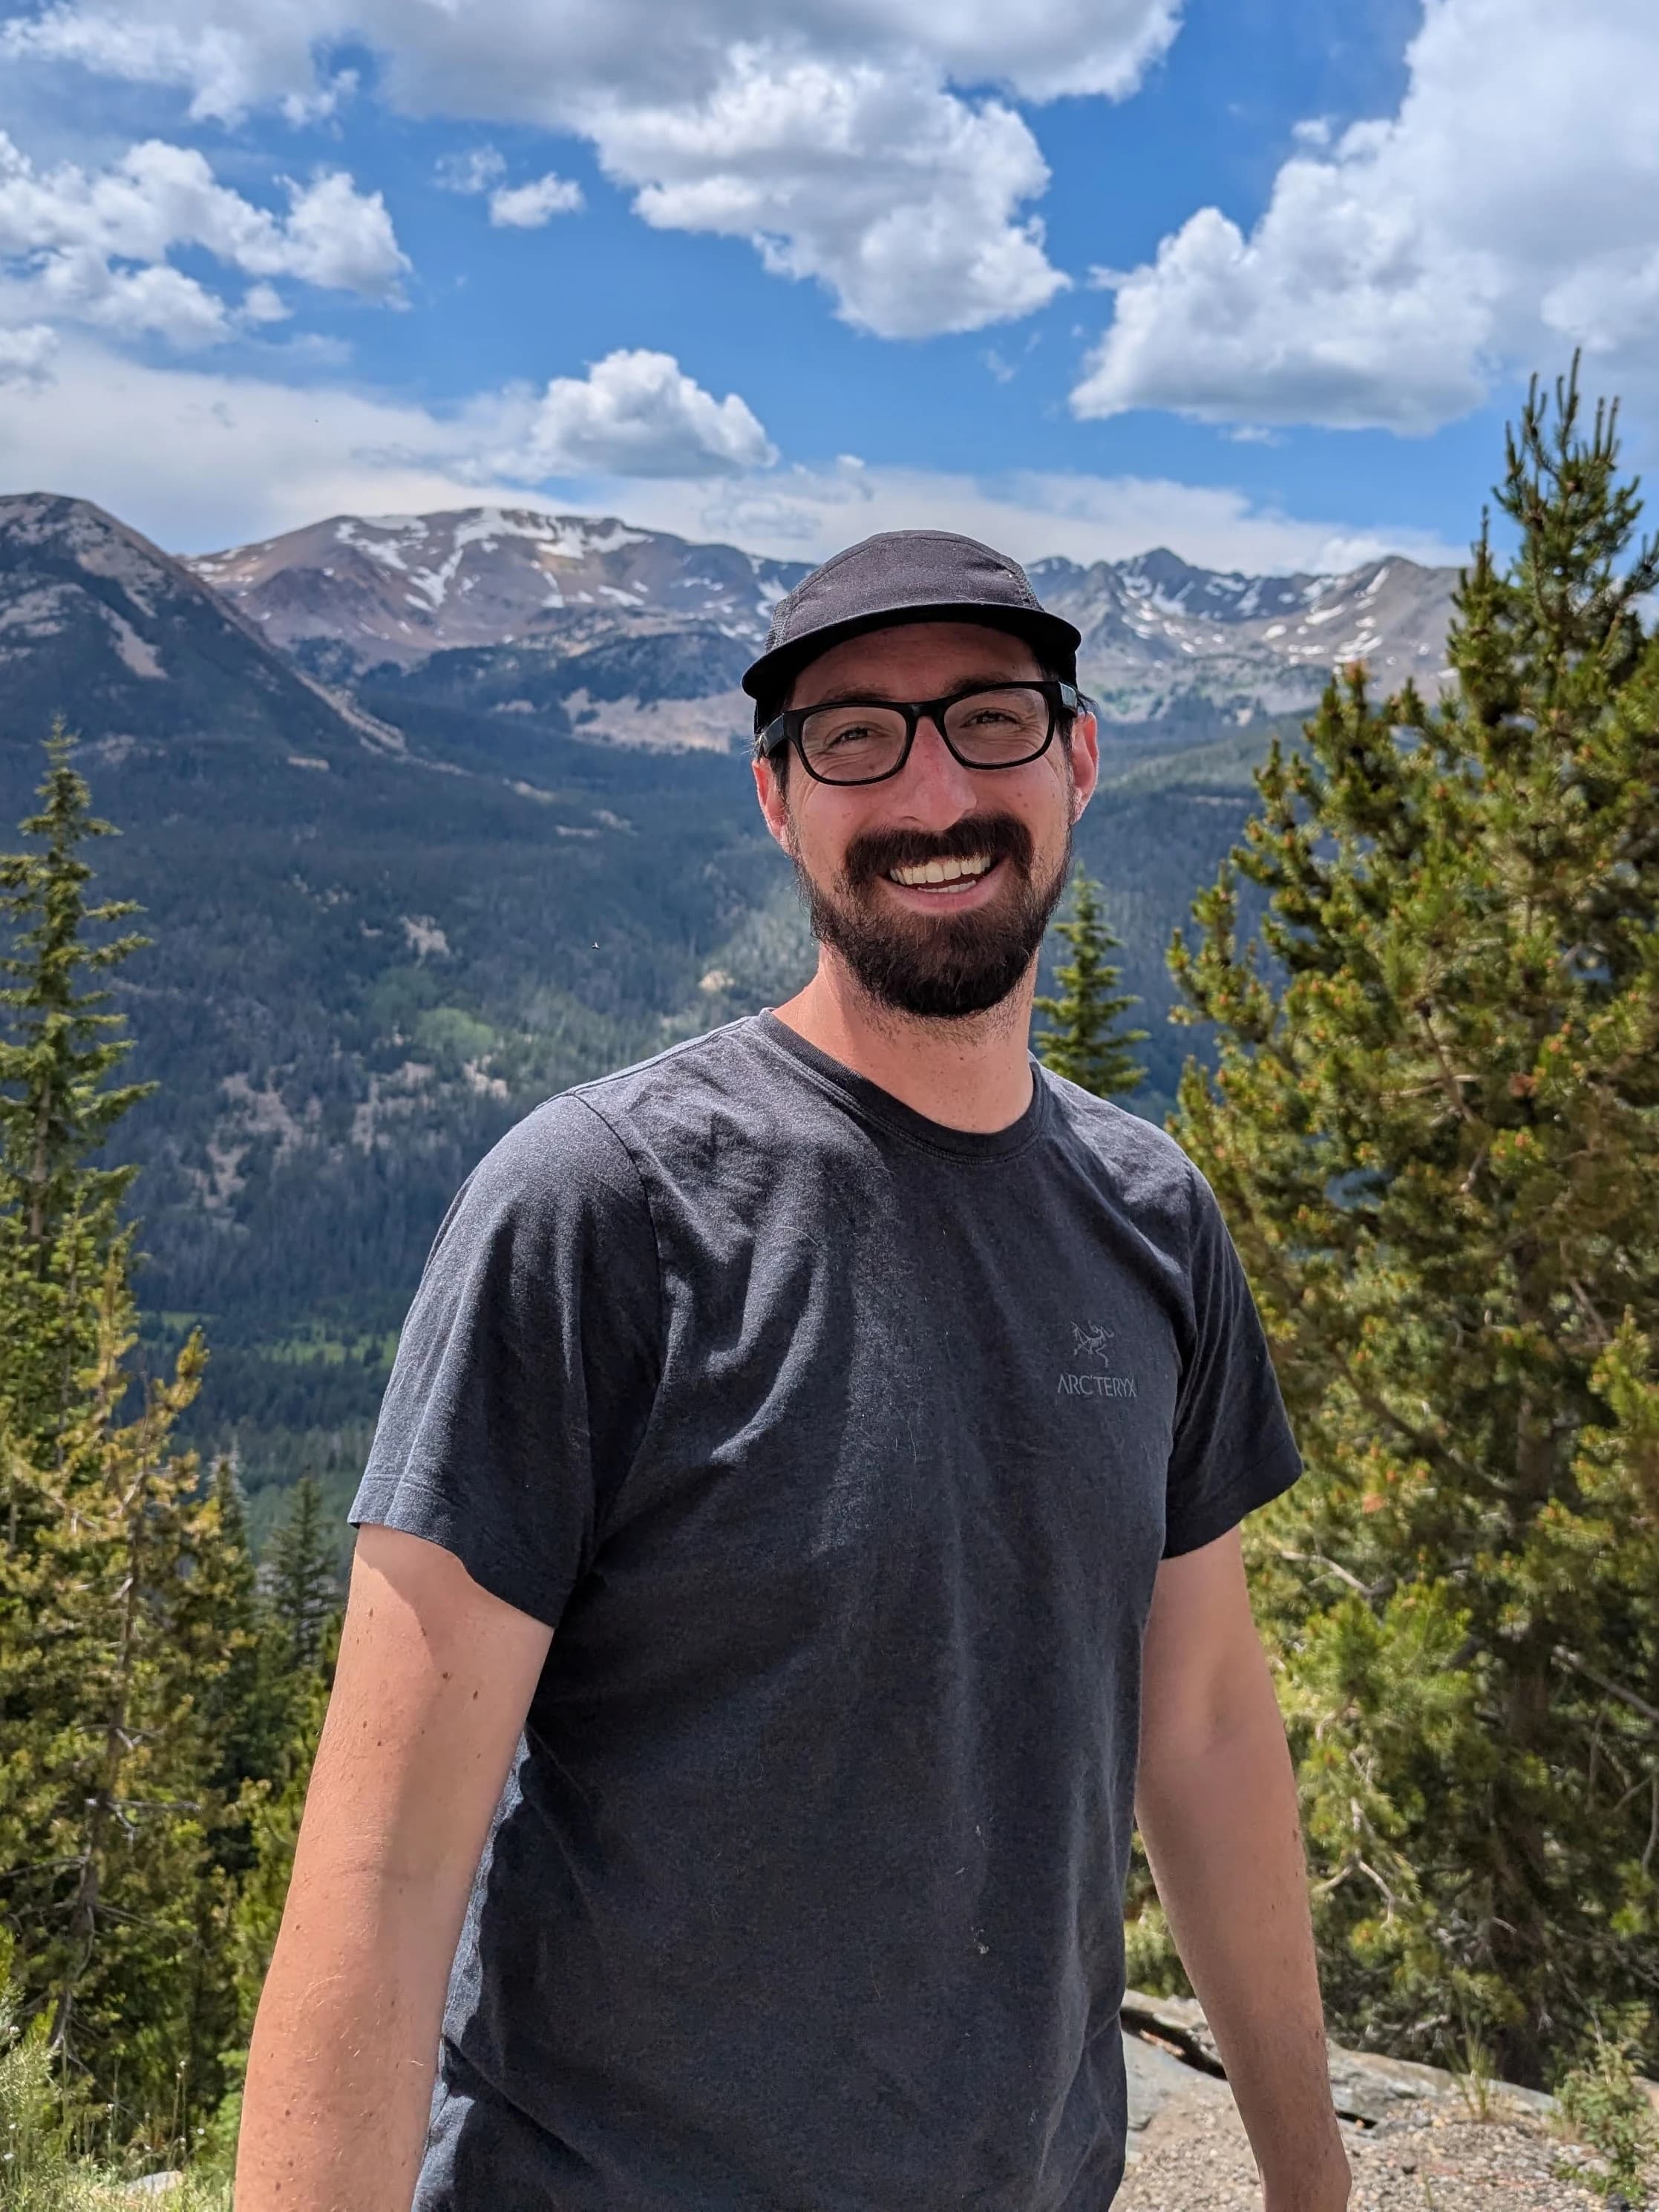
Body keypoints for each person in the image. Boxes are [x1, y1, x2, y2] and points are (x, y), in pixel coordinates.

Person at [237, 531, 1352, 2212]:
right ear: (776, 798)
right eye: (852, 738)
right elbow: (385, 1868)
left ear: (1079, 757)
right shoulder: (596, 1205)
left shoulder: (1152, 1220)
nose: (926, 795)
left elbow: (1196, 1717)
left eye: (985, 719)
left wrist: (1309, 2175)